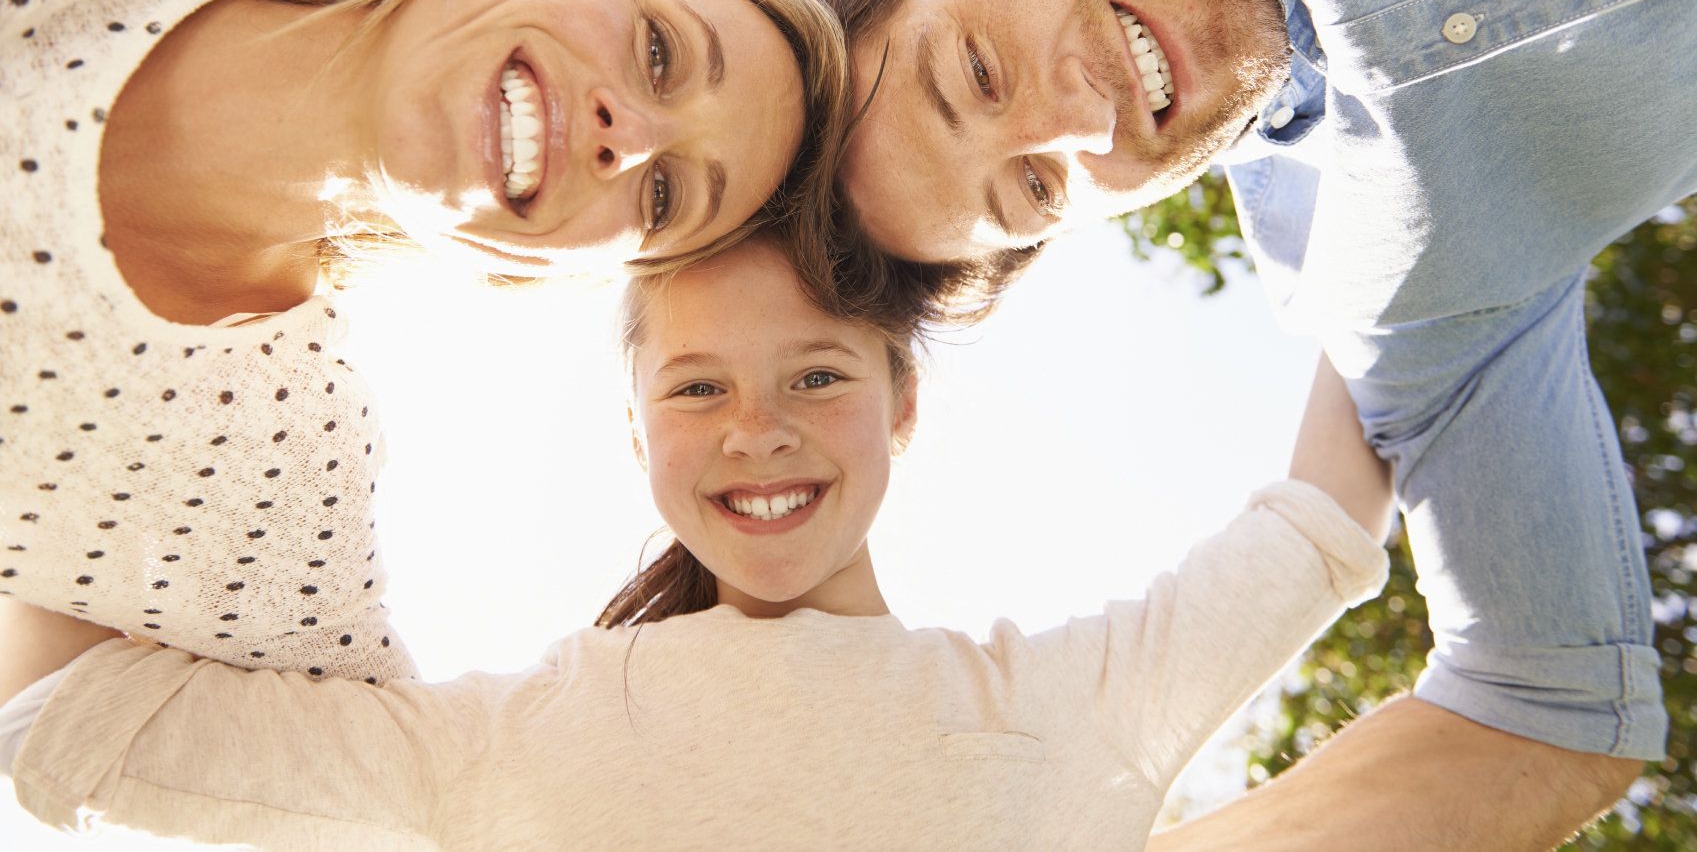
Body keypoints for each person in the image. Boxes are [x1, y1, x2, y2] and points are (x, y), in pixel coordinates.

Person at [797, 0, 1694, 845]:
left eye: (977, 70)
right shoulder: (1386, 282)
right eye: (1033, 187)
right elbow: (1548, 712)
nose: (1081, 119)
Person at [0, 222, 1391, 848]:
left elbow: (1321, 513)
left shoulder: (1065, 707)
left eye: (817, 375)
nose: (757, 430)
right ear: (635, 431)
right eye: (696, 388)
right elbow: (76, 719)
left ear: (903, 401)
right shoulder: (509, 743)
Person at [1, 0, 847, 683]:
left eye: (662, 194)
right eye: (659, 51)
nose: (635, 137)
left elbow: (362, 758)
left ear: (567, 267)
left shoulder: (264, 475)